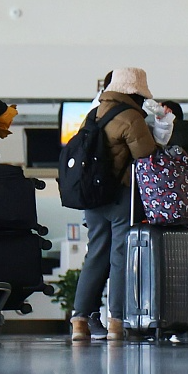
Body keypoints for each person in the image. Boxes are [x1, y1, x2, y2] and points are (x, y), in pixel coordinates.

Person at [67, 68, 156, 344]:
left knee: (95, 255)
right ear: (135, 93)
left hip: (91, 199)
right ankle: (115, 321)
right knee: (119, 258)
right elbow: (147, 156)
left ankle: (79, 321)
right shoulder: (131, 118)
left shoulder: (92, 115)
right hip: (120, 197)